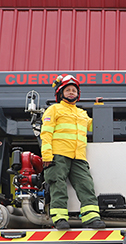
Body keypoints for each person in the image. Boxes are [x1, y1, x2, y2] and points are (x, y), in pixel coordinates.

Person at [39, 74, 106, 230]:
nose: (71, 92)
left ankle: (91, 217)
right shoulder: (53, 109)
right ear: (60, 93)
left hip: (79, 156)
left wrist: (100, 107)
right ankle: (59, 218)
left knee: (86, 185)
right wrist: (47, 155)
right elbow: (46, 133)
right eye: (68, 90)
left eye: (74, 90)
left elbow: (95, 127)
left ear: (78, 94)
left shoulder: (82, 113)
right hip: (58, 155)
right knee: (58, 185)